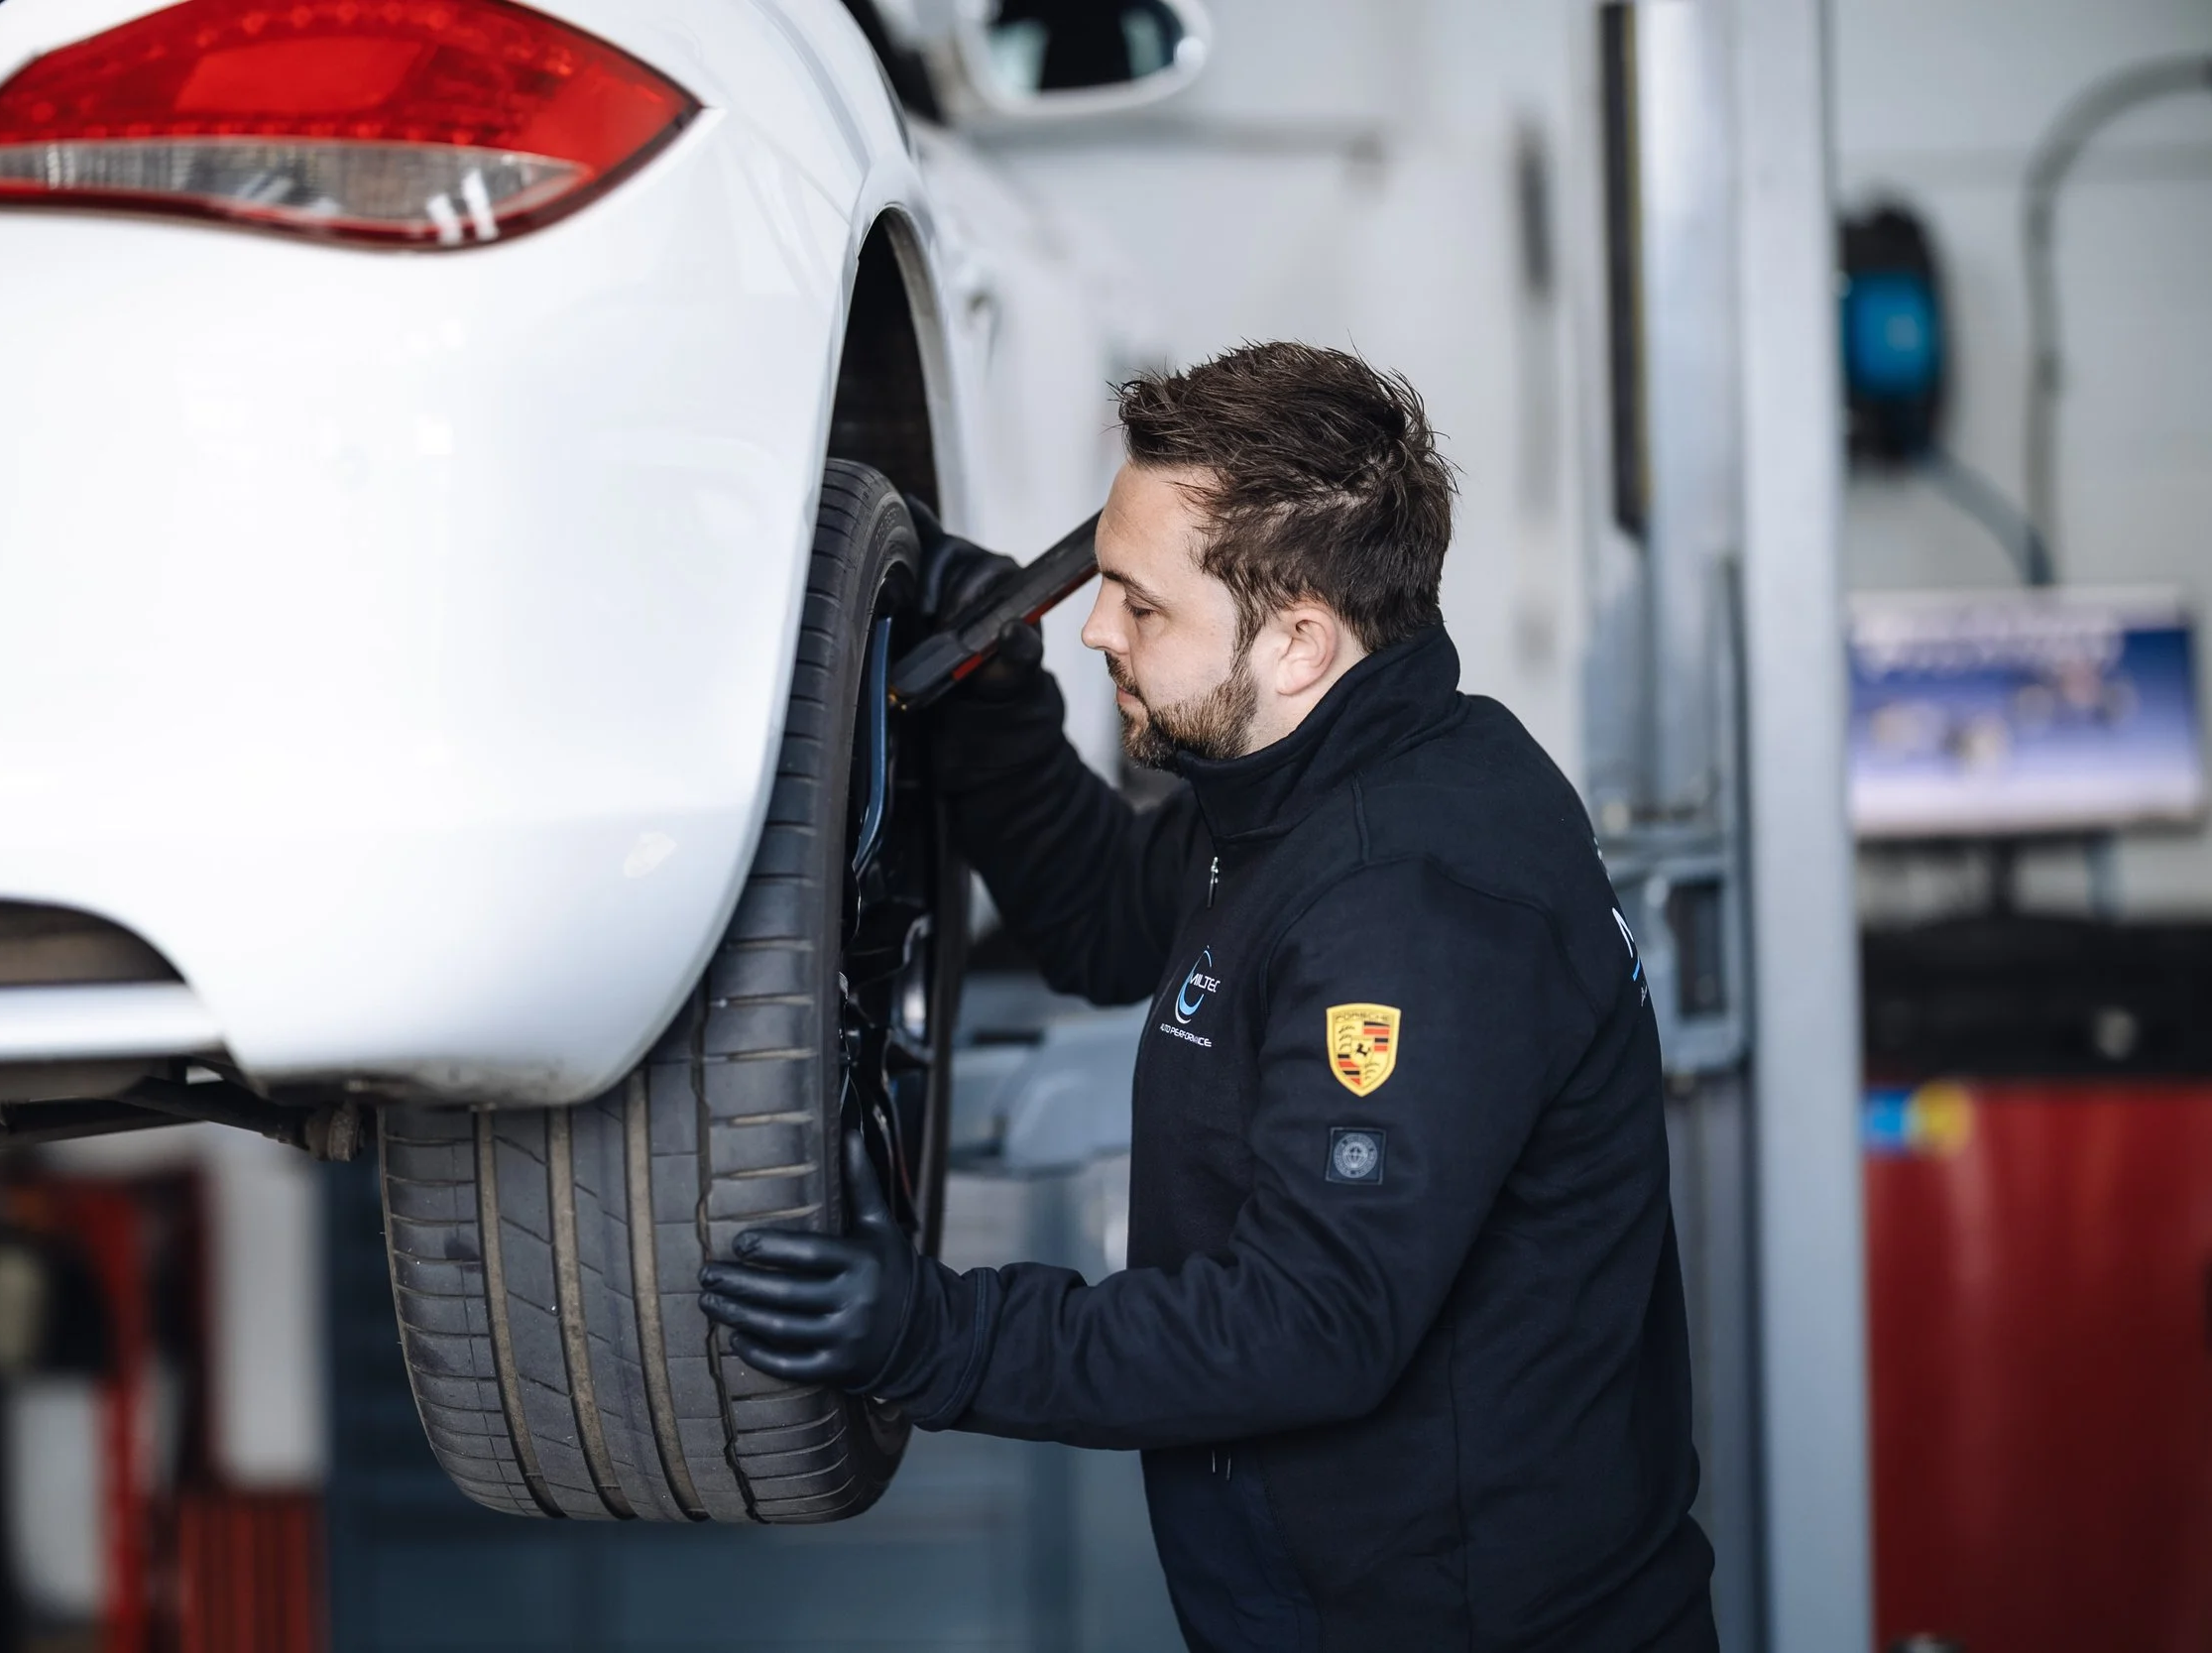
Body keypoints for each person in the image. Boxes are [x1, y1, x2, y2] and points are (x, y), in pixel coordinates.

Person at [699, 342, 1717, 1652]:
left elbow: (1311, 1325)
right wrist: (997, 710)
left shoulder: (1410, 898)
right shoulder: (1314, 781)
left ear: (1297, 638)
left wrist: (935, 1333)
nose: (1096, 628)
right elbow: (1114, 916)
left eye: (1140, 603)